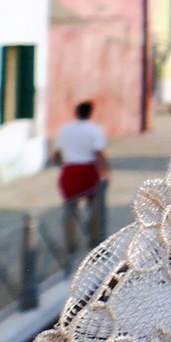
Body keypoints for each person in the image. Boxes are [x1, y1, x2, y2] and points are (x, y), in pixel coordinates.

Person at [53, 100, 110, 253]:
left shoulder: (64, 130)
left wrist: (64, 165)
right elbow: (99, 153)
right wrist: (105, 172)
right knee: (95, 208)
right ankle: (94, 241)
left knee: (70, 209)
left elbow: (56, 155)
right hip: (88, 171)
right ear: (90, 113)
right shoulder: (94, 130)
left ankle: (70, 242)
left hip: (69, 171)